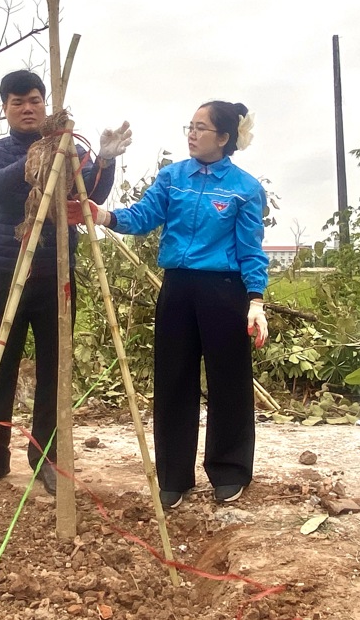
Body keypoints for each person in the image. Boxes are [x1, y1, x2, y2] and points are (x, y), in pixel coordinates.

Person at [67, 100, 269, 508]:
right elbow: (143, 216)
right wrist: (104, 216)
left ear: (224, 138)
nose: (192, 134)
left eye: (201, 128)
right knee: (173, 380)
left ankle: (229, 469)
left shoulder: (245, 189)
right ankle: (174, 476)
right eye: (189, 127)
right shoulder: (173, 177)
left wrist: (256, 300)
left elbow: (251, 250)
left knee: (228, 380)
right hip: (177, 289)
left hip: (225, 290)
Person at [0, 69, 132, 495]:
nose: (28, 108)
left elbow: (88, 188)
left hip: (57, 273)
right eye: (18, 102)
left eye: (35, 100)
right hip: (8, 272)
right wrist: (38, 157)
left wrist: (105, 161)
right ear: (5, 109)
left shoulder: (67, 150)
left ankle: (45, 457)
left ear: (46, 105)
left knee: (54, 367)